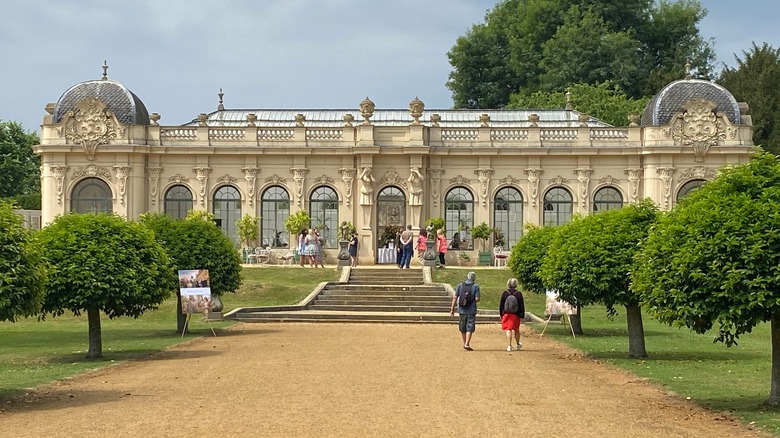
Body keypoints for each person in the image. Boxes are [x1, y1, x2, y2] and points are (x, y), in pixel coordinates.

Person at [450, 271, 480, 350]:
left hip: (461, 310)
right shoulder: (476, 286)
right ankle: (467, 344)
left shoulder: (460, 285)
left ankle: (465, 343)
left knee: (463, 327)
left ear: (467, 277)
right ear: (474, 278)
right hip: (471, 310)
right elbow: (477, 299)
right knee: (469, 327)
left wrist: (452, 309)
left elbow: (455, 297)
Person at [499, 278, 526, 351]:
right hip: (516, 314)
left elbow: (501, 305)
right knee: (516, 329)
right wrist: (522, 316)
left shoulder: (505, 293)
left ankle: (509, 346)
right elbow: (521, 306)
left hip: (507, 314)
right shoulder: (518, 294)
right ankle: (517, 344)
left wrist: (501, 314)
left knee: (508, 329)